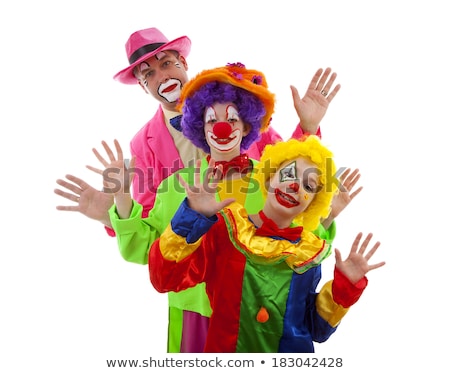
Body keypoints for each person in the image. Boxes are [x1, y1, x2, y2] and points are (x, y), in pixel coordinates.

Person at [101, 62, 349, 353]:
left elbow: (299, 243)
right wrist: (121, 197)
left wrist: (327, 212)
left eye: (232, 119)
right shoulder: (175, 186)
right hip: (192, 312)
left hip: (255, 317)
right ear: (199, 127)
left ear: (246, 125)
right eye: (211, 120)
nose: (221, 128)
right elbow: (143, 249)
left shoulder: (269, 182)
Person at [54, 27, 341, 235]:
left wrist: (308, 127)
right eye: (148, 74)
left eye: (166, 63)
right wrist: (113, 210)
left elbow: (289, 167)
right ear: (142, 87)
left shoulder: (235, 103)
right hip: (196, 265)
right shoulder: (143, 144)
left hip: (258, 251)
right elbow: (150, 225)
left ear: (183, 63)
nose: (161, 76)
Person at [149, 136, 385, 352]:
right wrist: (191, 216)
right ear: (270, 176)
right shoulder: (227, 230)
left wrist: (342, 290)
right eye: (289, 173)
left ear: (312, 203)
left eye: (308, 186)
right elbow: (165, 279)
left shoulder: (307, 253)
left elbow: (317, 329)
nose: (295, 186)